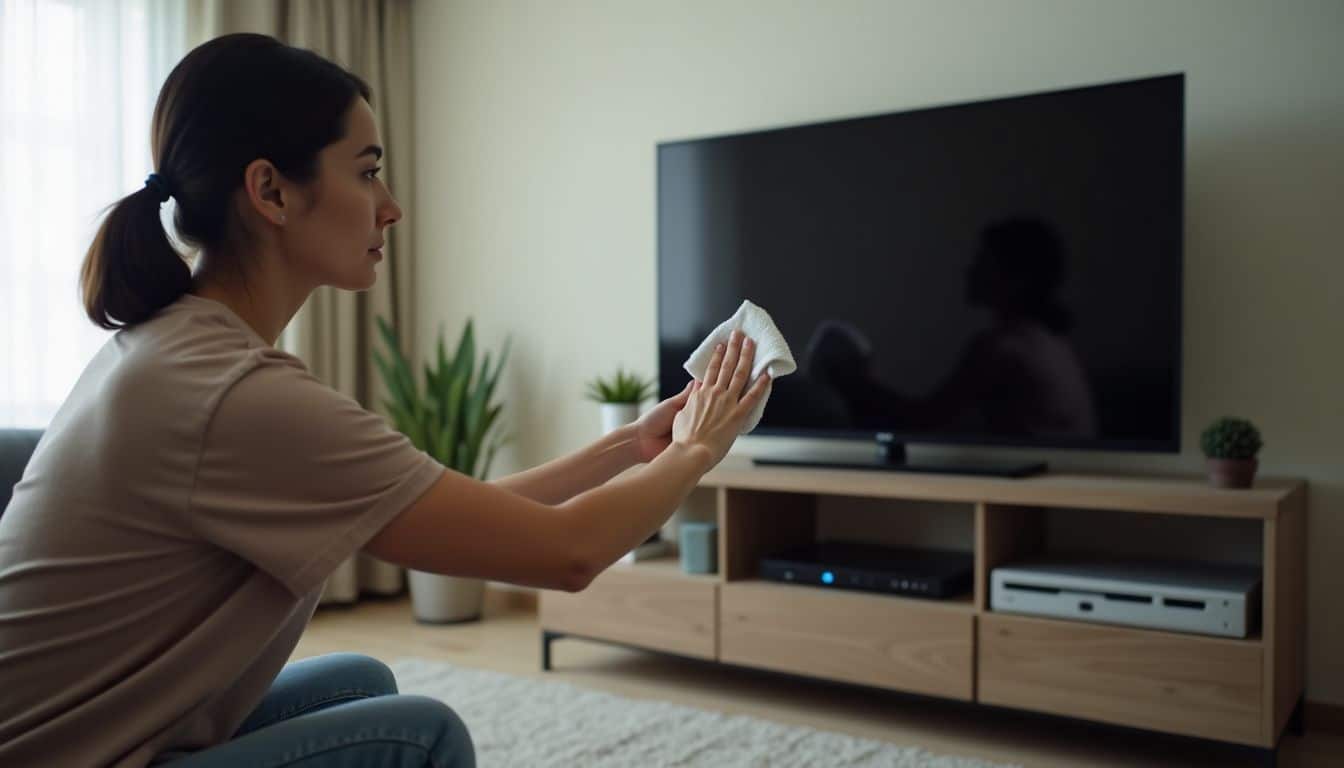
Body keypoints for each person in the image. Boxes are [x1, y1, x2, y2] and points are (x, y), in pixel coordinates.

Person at [0, 33, 769, 768]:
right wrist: (701, 449)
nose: (391, 207)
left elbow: (470, 518)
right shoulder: (233, 394)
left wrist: (629, 447)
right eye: (366, 173)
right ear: (270, 190)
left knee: (355, 683)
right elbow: (565, 554)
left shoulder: (182, 351)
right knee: (420, 738)